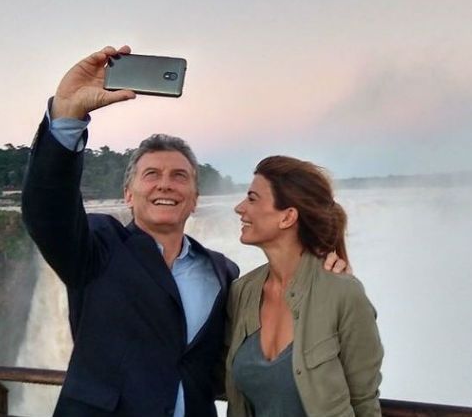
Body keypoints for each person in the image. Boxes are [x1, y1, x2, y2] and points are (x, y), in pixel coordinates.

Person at [22, 45, 348, 416]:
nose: (166, 185)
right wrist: (67, 116)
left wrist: (319, 280)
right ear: (129, 194)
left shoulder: (223, 272)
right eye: (152, 175)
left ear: (194, 198)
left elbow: (259, 346)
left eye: (180, 176)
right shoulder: (97, 247)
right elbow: (46, 210)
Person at [225, 156, 384, 417]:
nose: (240, 208)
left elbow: (365, 403)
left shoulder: (343, 294)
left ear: (287, 217)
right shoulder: (242, 292)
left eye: (252, 199)